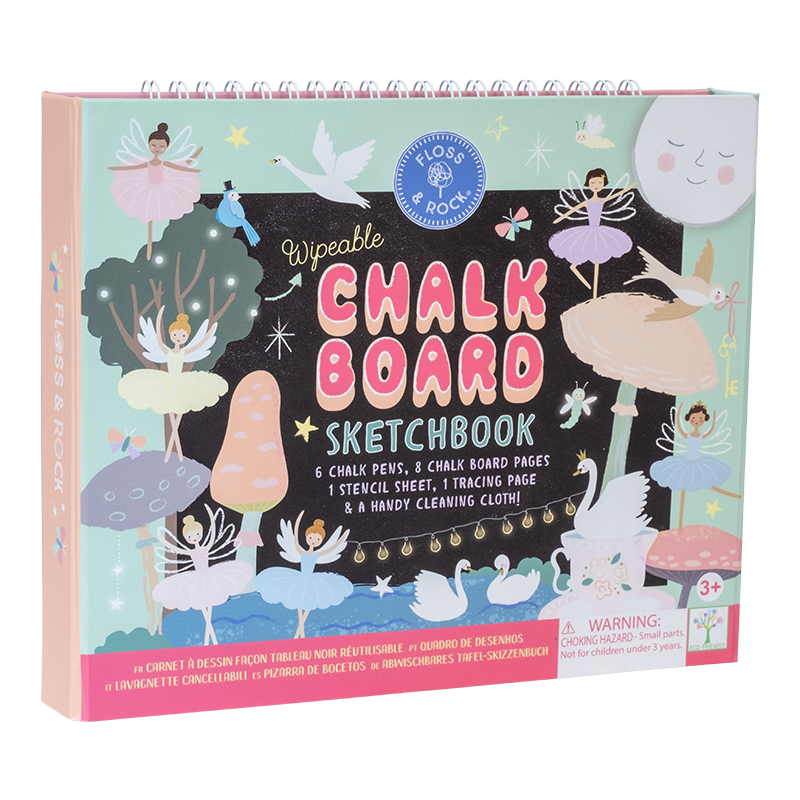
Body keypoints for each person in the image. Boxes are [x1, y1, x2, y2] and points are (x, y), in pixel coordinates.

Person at [117, 306, 227, 461]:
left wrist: (210, 331)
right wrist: (158, 318)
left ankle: (173, 454)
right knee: (170, 414)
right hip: (167, 382)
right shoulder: (167, 350)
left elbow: (199, 344)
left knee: (178, 416)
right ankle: (174, 454)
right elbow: (157, 341)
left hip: (182, 382)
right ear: (171, 335)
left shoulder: (185, 351)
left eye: (183, 335)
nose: (178, 337)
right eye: (175, 334)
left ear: (186, 337)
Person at [152, 510, 252, 645]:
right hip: (197, 580)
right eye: (189, 536)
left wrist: (212, 520)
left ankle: (211, 640)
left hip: (211, 576)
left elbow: (212, 537)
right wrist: (163, 539)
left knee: (209, 607)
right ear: (186, 538)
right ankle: (208, 640)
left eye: (197, 534)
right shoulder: (191, 551)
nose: (194, 538)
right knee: (204, 608)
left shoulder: (205, 547)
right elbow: (178, 550)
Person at [109, 122, 203, 259]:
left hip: (162, 189)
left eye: (161, 146)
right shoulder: (148, 162)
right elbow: (134, 167)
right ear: (148, 144)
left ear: (166, 147)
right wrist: (117, 169)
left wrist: (191, 168)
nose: (157, 149)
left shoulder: (164, 162)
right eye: (154, 145)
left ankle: (149, 253)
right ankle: (148, 254)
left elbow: (178, 167)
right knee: (147, 212)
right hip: (145, 187)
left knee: (155, 210)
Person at [254, 512, 353, 638]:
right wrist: (298, 521)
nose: (313, 541)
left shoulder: (317, 554)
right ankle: (300, 633)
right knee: (299, 604)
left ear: (321, 541)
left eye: (318, 539)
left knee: (308, 605)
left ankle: (300, 632)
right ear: (306, 537)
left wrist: (343, 537)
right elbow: (295, 539)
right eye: (311, 538)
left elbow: (331, 548)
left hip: (311, 581)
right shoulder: (302, 552)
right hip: (299, 579)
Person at [650, 401, 740, 533]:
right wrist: (679, 412)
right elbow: (679, 427)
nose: (697, 420)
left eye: (700, 418)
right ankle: (679, 526)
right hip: (685, 464)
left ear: (704, 420)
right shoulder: (688, 435)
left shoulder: (701, 436)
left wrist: (714, 418)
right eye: (694, 417)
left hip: (698, 464)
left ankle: (732, 495)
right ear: (689, 418)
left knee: (708, 483)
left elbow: (710, 431)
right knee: (683, 490)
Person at [550, 168, 636, 299]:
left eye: (599, 182)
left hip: (599, 232)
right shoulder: (587, 202)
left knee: (597, 259)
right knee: (583, 254)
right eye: (593, 182)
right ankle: (576, 270)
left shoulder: (602, 200)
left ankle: (594, 294)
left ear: (604, 184)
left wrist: (633, 184)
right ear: (588, 184)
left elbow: (618, 194)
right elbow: (572, 210)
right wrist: (560, 218)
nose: (596, 185)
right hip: (588, 231)